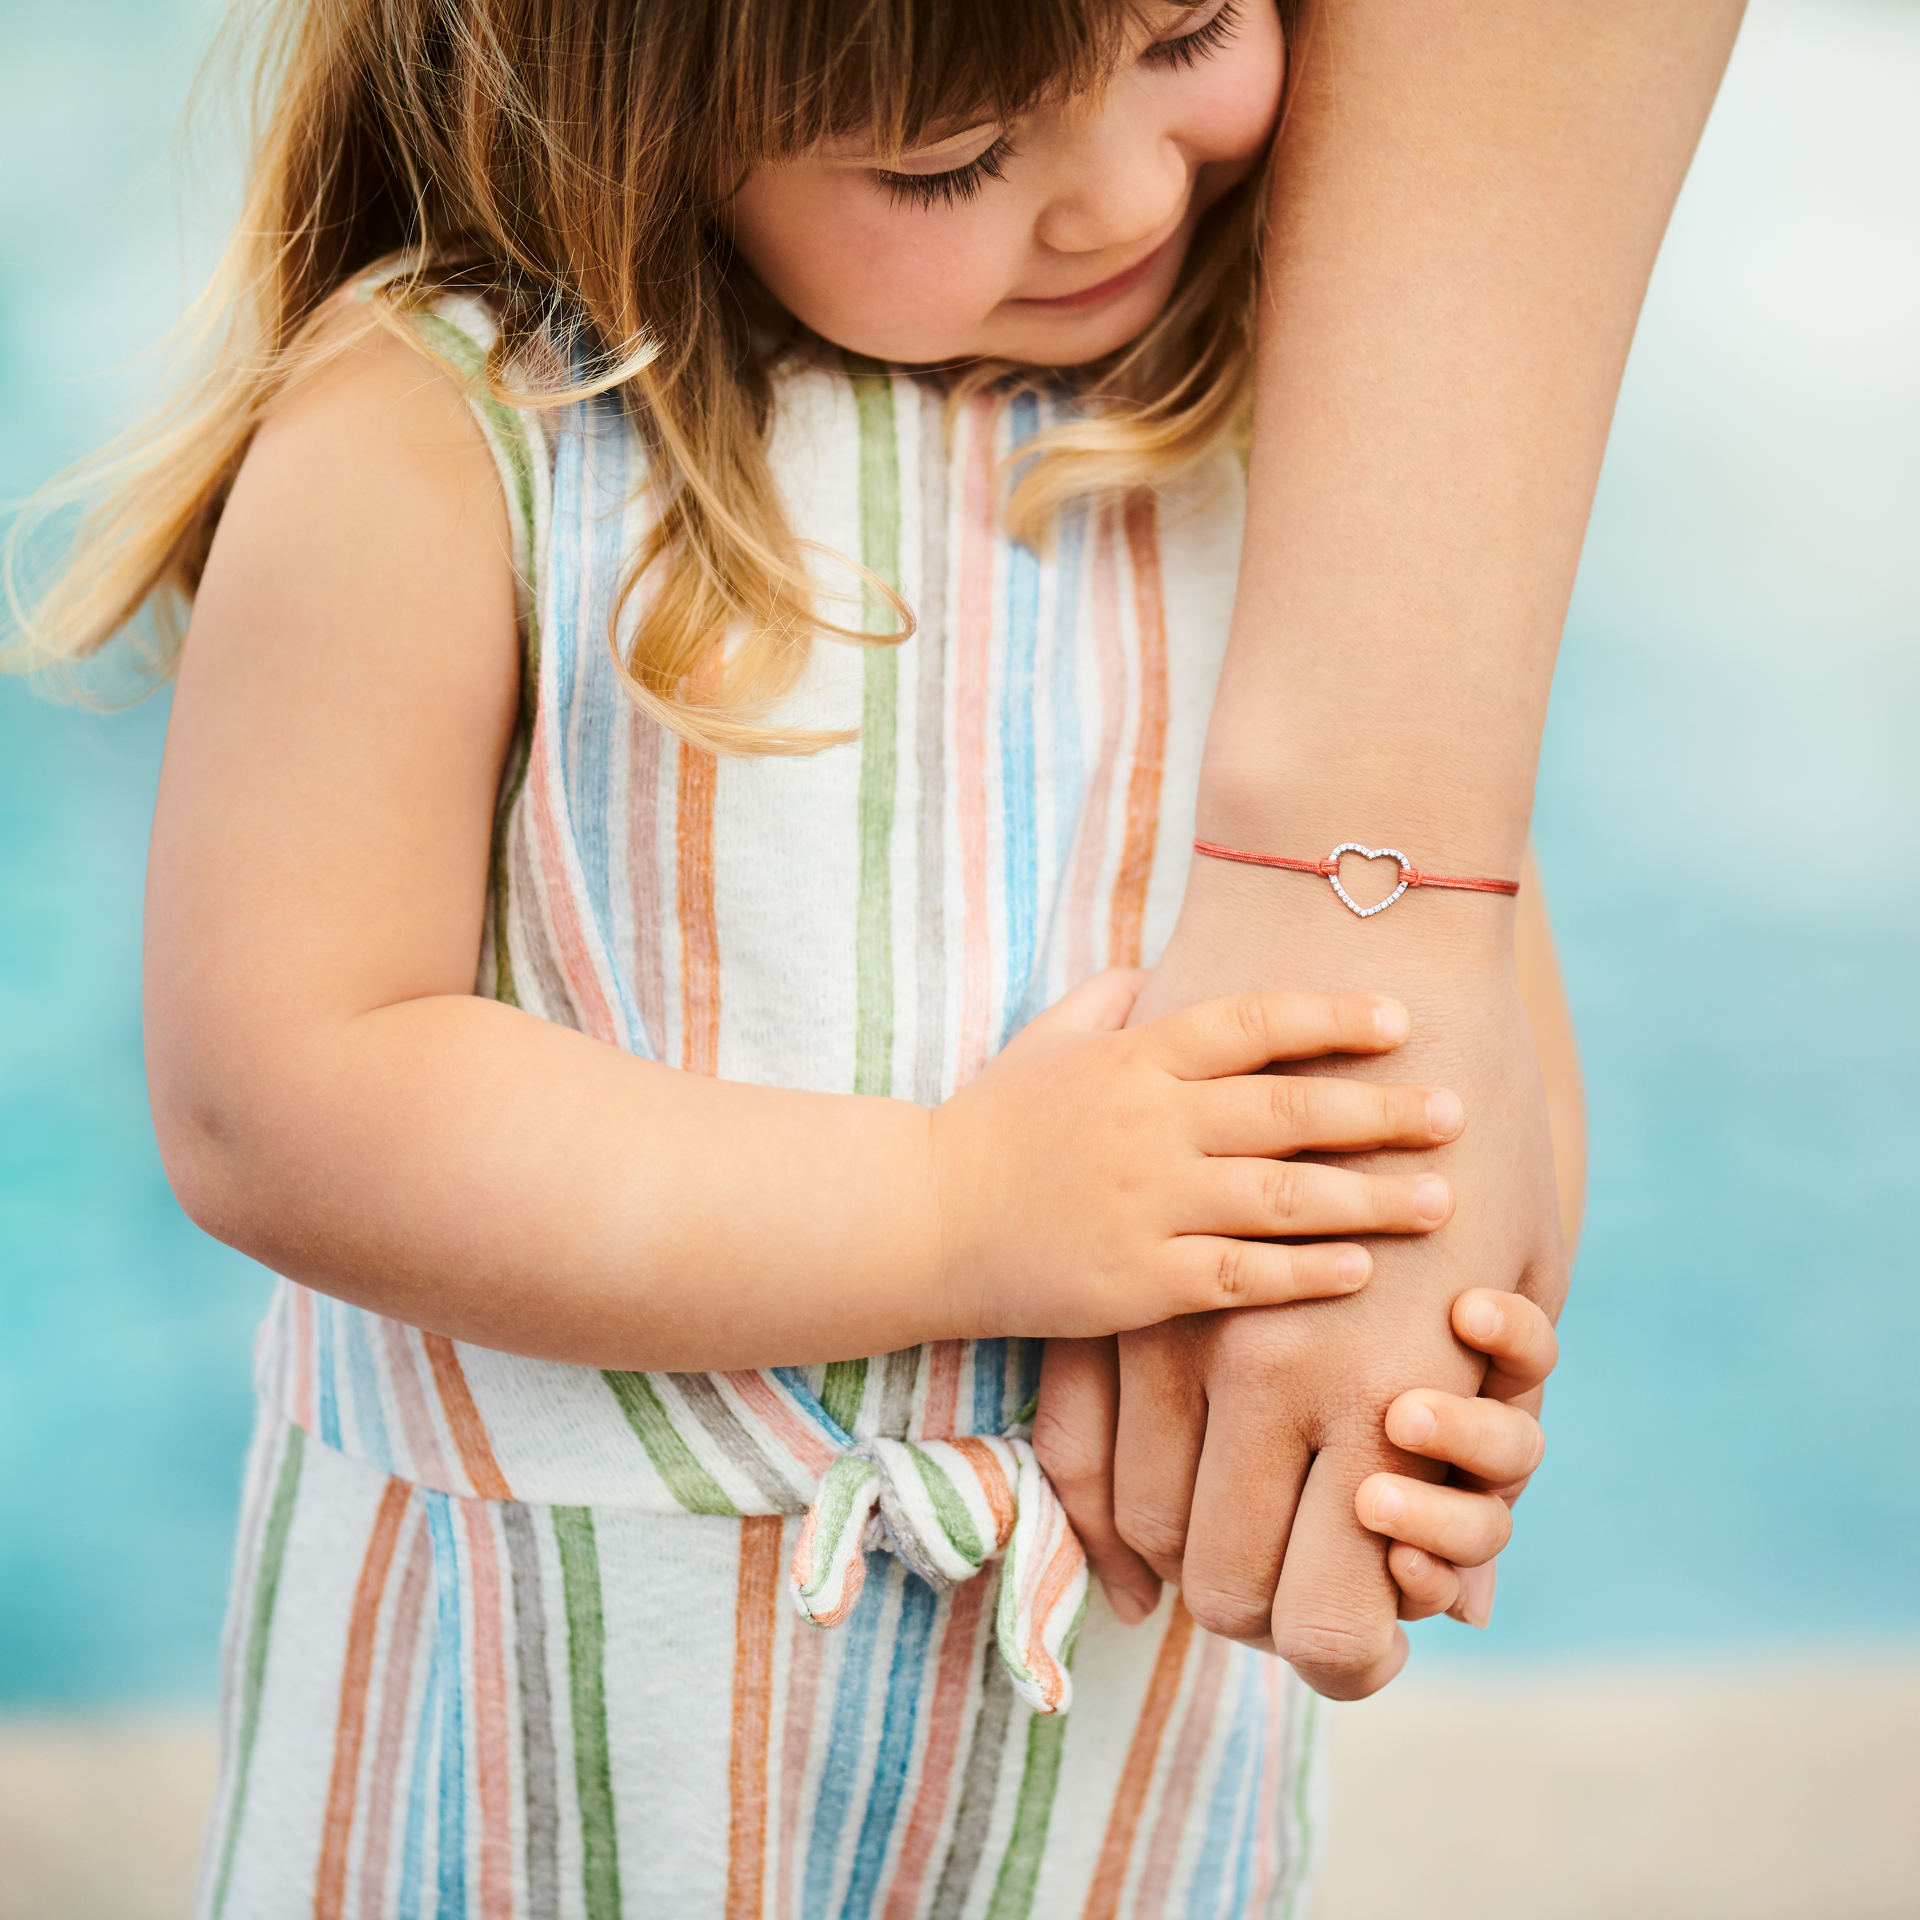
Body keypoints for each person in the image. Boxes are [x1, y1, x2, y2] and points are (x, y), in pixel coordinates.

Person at [5, 0, 1599, 1912]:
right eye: (948, 159)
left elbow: (1452, 1019)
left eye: (1188, 32)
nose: (1116, 198)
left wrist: (1427, 1385)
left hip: (1100, 1778)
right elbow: (278, 1099)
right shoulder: (445, 431)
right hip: (551, 1754)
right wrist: (959, 1208)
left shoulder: (1298, 460)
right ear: (632, 104)